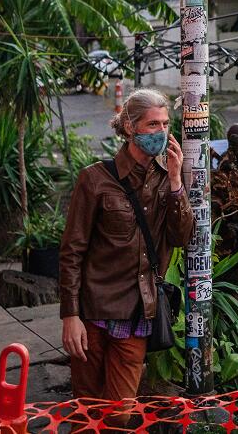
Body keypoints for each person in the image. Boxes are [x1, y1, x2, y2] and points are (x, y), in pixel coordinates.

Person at [59, 88, 193, 399]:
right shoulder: (95, 178)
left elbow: (180, 238)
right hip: (94, 312)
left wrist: (176, 183)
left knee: (119, 414)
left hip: (137, 313)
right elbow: (71, 251)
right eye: (152, 124)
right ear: (131, 127)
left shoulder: (167, 179)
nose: (161, 132)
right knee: (86, 407)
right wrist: (70, 316)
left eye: (165, 124)